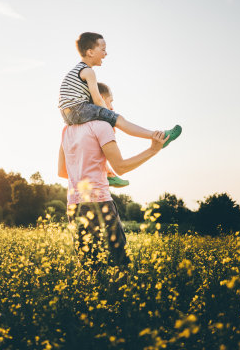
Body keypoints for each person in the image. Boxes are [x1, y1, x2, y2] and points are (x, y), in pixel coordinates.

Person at [58, 106, 168, 271]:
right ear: (95, 102)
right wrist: (153, 150)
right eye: (109, 102)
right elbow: (121, 167)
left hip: (74, 205)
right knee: (119, 265)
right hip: (99, 203)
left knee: (90, 268)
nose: (111, 108)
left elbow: (62, 171)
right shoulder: (102, 126)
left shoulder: (67, 130)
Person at [59, 32, 182, 149]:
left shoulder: (76, 70)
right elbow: (97, 98)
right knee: (120, 120)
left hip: (67, 115)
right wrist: (109, 119)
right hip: (78, 109)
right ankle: (158, 136)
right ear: (90, 52)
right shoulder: (88, 71)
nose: (105, 53)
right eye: (103, 50)